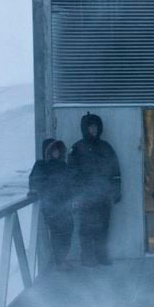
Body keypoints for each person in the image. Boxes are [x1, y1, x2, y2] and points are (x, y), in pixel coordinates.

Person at [68, 112, 121, 266]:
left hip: (104, 195)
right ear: (85, 129)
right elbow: (71, 173)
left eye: (96, 127)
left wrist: (116, 190)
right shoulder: (77, 148)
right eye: (91, 127)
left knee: (103, 227)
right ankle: (87, 257)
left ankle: (101, 256)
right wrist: (77, 194)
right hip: (86, 196)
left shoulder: (106, 147)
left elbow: (115, 171)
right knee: (86, 227)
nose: (94, 130)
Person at [28, 139, 74, 271]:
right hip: (51, 206)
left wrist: (72, 197)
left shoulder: (63, 165)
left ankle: (62, 259)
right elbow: (35, 180)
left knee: (68, 231)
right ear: (47, 151)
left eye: (58, 149)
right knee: (58, 233)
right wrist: (34, 191)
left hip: (65, 205)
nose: (56, 152)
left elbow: (69, 184)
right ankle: (59, 262)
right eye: (53, 149)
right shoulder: (41, 165)